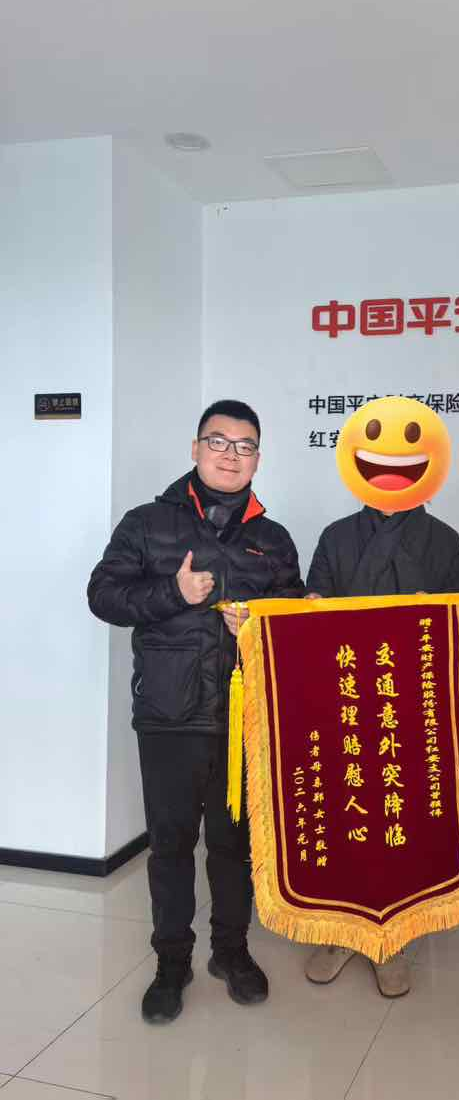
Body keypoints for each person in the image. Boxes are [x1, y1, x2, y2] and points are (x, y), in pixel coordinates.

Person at [88, 399, 304, 1023]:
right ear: (195, 449)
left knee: (235, 846)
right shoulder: (147, 523)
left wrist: (263, 624)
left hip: (244, 717)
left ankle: (231, 952)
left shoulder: (272, 539)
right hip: (169, 713)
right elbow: (103, 595)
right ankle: (171, 962)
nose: (231, 455)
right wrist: (172, 592)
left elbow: (292, 618)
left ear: (258, 458)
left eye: (245, 445)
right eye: (219, 441)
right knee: (171, 845)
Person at [302, 399, 459, 997]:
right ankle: (341, 930)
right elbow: (312, 605)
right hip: (348, 698)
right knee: (347, 815)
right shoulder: (336, 536)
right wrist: (313, 609)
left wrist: (456, 612)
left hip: (412, 707)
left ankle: (393, 938)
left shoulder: (443, 539)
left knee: (402, 822)